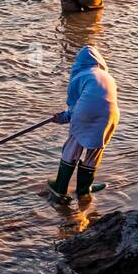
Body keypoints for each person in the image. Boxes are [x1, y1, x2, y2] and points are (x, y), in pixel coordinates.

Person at [47, 45, 119, 199]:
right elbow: (101, 101)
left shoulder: (79, 77)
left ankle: (60, 187)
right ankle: (84, 189)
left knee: (73, 144)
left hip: (86, 112)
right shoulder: (108, 77)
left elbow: (74, 109)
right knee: (95, 150)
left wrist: (60, 119)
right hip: (111, 115)